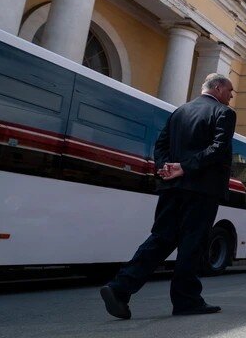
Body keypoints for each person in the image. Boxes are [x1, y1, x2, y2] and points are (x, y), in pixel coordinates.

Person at [100, 73, 237, 319]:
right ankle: (186, 301)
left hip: (171, 187)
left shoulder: (180, 112)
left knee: (161, 238)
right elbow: (218, 149)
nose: (231, 96)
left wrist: (165, 167)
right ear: (217, 88)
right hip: (201, 190)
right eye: (229, 91)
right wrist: (185, 167)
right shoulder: (224, 113)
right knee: (192, 243)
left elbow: (160, 145)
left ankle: (120, 288)